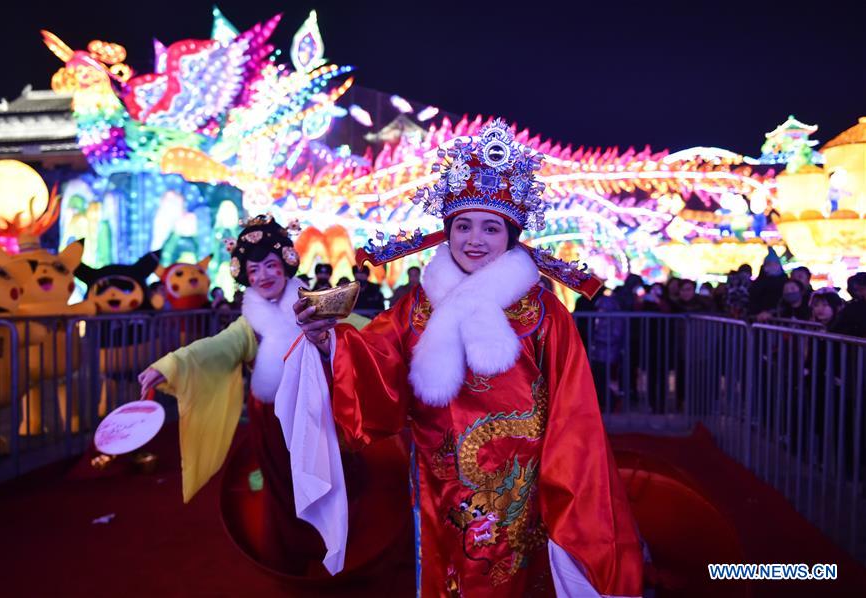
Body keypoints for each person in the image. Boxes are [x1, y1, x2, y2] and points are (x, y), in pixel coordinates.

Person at [296, 120, 642, 597]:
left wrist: (568, 489)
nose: (474, 238)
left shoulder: (543, 314)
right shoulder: (417, 305)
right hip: (438, 484)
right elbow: (378, 355)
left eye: (490, 227)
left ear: (511, 235)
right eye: (462, 225)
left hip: (524, 488)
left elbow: (574, 414)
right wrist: (330, 343)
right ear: (447, 231)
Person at [137, 215, 406, 577]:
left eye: (270, 265)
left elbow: (365, 331)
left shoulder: (315, 303)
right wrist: (169, 366)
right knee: (285, 491)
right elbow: (215, 349)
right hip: (273, 422)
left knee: (335, 475)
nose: (264, 275)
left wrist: (407, 340)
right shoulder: (249, 325)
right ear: (244, 275)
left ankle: (340, 544)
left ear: (285, 266)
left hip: (317, 412)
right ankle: (293, 554)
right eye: (254, 269)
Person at [749, 252, 787, 321]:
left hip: (777, 318)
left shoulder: (784, 281)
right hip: (758, 317)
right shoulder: (759, 281)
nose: (772, 266)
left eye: (775, 264)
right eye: (769, 264)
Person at [830, 272, 866, 338]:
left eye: (861, 289)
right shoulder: (852, 307)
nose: (858, 293)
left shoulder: (851, 307)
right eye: (856, 290)